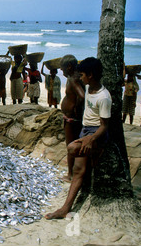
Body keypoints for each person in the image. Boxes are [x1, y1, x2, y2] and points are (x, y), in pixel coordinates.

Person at [45, 57, 111, 220]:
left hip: (94, 132)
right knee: (78, 170)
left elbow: (104, 126)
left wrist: (91, 139)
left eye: (82, 75)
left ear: (90, 75)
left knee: (72, 149)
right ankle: (65, 208)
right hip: (85, 130)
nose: (79, 78)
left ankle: (97, 151)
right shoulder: (89, 88)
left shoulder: (104, 97)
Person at [59, 55, 85, 183]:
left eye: (62, 69)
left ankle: (70, 174)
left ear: (69, 67)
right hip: (72, 118)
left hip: (72, 119)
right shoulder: (77, 77)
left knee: (70, 146)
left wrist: (75, 110)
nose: (62, 72)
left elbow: (82, 96)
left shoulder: (73, 79)